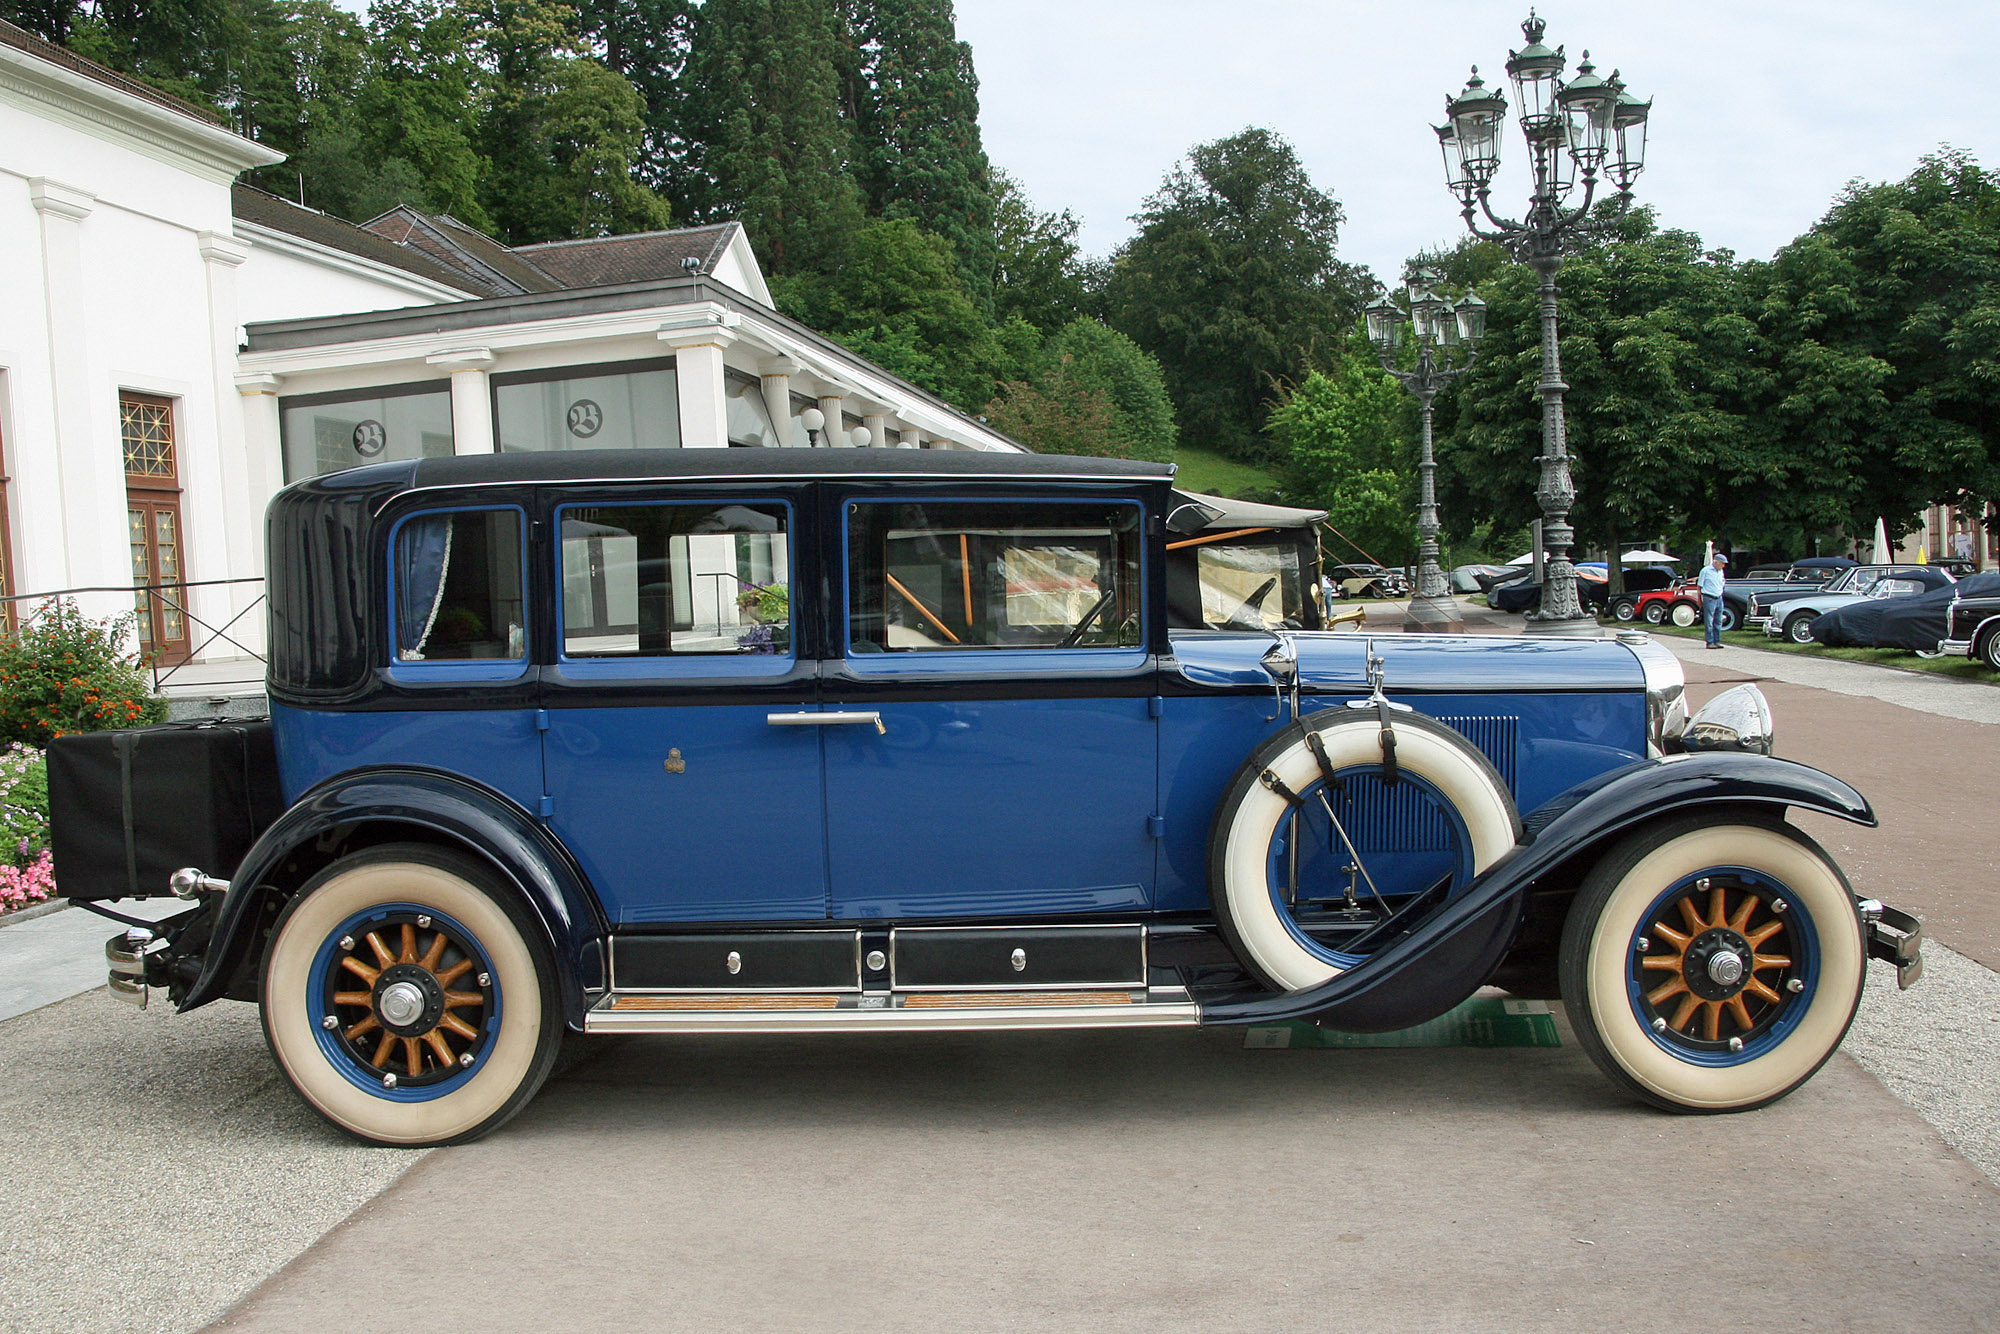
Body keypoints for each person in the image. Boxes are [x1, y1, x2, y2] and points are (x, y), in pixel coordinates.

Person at [1697, 552, 1728, 649]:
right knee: (1709, 621)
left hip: (1719, 597)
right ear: (1716, 562)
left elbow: (1722, 582)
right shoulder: (1705, 571)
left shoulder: (1720, 571)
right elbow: (1699, 586)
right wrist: (1699, 599)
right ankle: (1709, 642)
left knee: (1718, 620)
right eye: (1722, 563)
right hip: (1709, 597)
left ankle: (1717, 641)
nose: (1723, 565)